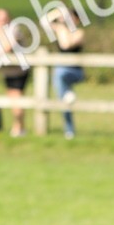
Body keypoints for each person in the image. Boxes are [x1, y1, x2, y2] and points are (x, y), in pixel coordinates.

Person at [47, 8, 85, 139]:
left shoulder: (79, 32)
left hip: (74, 72)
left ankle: (69, 130)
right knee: (65, 101)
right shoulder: (60, 29)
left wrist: (62, 29)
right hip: (60, 72)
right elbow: (44, 21)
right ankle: (69, 131)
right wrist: (59, 11)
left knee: (60, 73)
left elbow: (66, 45)